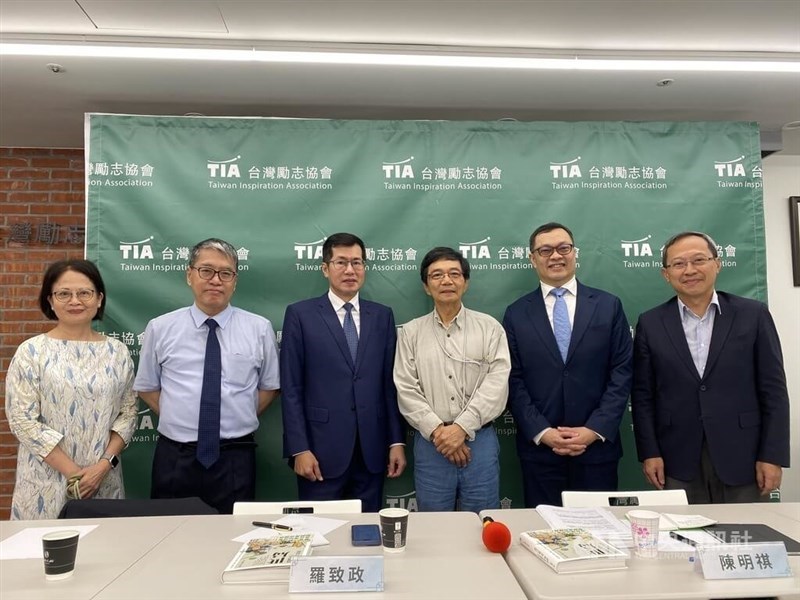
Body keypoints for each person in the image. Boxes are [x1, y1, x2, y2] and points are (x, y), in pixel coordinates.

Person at [631, 231, 790, 503]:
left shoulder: (753, 315)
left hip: (745, 456)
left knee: (746, 539)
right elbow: (643, 396)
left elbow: (774, 391)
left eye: (699, 260)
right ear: (666, 274)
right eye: (678, 264)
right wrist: (649, 452)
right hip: (676, 458)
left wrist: (772, 455)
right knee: (682, 540)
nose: (689, 270)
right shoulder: (651, 323)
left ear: (717, 264)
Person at [135, 238, 280, 514]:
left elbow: (269, 387)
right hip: (175, 456)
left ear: (234, 282)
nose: (216, 280)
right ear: (189, 275)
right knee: (170, 536)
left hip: (236, 456)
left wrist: (237, 415)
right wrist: (181, 417)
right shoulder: (161, 327)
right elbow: (148, 387)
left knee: (232, 536)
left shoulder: (259, 328)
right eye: (206, 270)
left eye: (225, 273)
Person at [503, 222, 633, 508]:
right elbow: (513, 379)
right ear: (532, 258)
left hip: (597, 449)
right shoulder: (516, 313)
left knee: (602, 538)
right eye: (545, 250)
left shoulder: (608, 305)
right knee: (543, 537)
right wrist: (543, 432)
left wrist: (594, 429)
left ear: (575, 253)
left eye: (564, 248)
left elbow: (622, 372)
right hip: (540, 453)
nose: (556, 256)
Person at [281, 232, 406, 512]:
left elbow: (390, 385)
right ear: (325, 268)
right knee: (320, 534)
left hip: (372, 452)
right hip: (319, 453)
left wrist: (396, 441)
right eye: (341, 262)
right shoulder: (301, 315)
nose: (350, 270)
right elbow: (291, 388)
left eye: (357, 262)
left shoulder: (382, 316)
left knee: (367, 536)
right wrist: (299, 448)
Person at [5, 259, 137, 519]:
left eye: (84, 293)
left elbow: (129, 414)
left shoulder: (117, 352)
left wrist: (101, 467)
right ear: (50, 300)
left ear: (99, 299)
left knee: (107, 554)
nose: (75, 301)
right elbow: (22, 420)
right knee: (41, 555)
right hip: (45, 481)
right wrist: (75, 474)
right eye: (64, 293)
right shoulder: (31, 352)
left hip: (103, 479)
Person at [394, 247, 510, 512]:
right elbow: (406, 389)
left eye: (454, 274)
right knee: (435, 530)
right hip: (431, 444)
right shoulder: (410, 333)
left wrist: (460, 429)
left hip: (479, 441)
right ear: (426, 286)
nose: (446, 281)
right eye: (437, 275)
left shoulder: (489, 328)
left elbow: (497, 384)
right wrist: (439, 432)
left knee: (482, 523)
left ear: (465, 283)